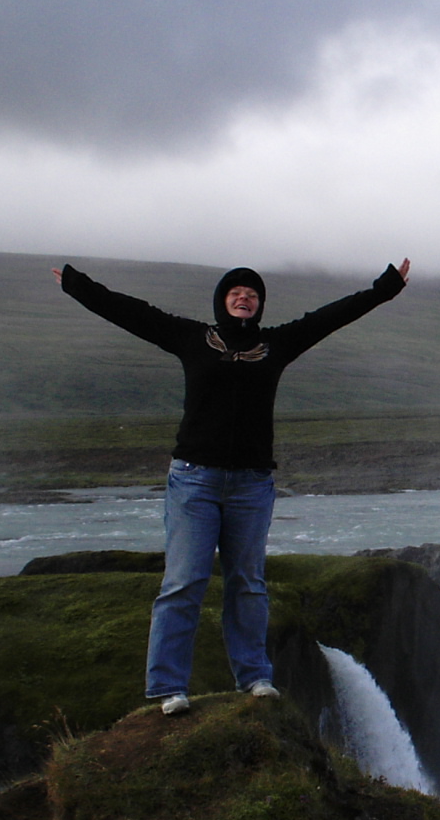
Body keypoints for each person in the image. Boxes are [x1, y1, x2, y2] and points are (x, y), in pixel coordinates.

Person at [53, 257, 411, 714]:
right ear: (222, 301)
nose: (245, 298)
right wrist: (77, 285)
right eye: (236, 293)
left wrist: (384, 288)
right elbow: (132, 313)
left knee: (248, 584)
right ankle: (168, 687)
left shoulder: (276, 344)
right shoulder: (191, 337)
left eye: (253, 294)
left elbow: (330, 317)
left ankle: (255, 677)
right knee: (184, 582)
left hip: (251, 484)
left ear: (259, 306)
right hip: (194, 481)